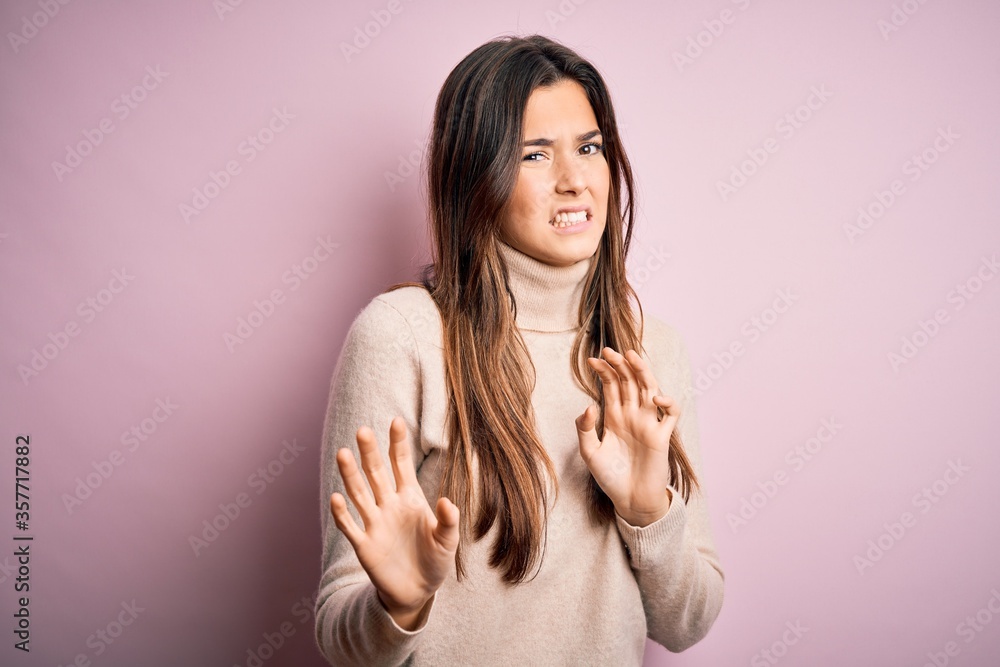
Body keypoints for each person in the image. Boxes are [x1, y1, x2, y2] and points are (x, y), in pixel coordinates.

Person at [314, 34, 725, 666]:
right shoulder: (402, 336)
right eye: (535, 155)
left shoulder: (651, 351)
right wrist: (398, 606)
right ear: (476, 176)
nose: (574, 181)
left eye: (589, 148)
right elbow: (343, 640)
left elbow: (687, 624)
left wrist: (648, 511)